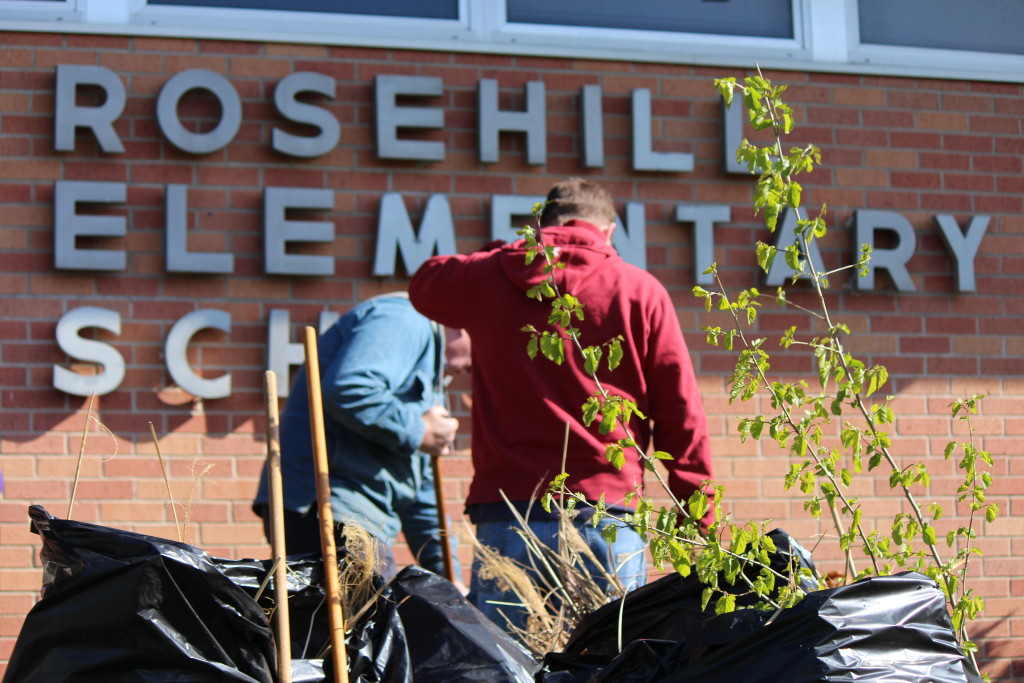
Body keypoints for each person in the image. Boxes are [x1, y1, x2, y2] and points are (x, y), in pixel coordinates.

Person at [408, 177, 712, 628]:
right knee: (609, 666)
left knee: (508, 668)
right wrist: (698, 516)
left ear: (543, 225)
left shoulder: (489, 275)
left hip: (509, 511)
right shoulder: (639, 290)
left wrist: (506, 252)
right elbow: (680, 408)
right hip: (607, 512)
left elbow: (426, 282)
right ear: (607, 231)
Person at [253, 294, 469, 579]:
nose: (467, 371)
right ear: (465, 326)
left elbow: (420, 486)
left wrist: (450, 578)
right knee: (360, 617)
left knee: (369, 618)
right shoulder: (406, 318)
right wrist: (420, 430)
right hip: (327, 505)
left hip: (349, 512)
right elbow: (351, 388)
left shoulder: (430, 360)